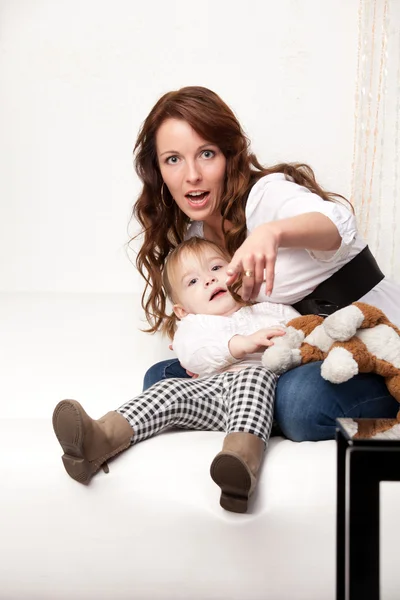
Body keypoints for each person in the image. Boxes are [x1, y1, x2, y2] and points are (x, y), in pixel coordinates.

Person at [131, 85, 400, 441]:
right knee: (161, 378)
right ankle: (250, 407)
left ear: (228, 155)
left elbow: (336, 227)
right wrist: (201, 341)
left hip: (365, 347)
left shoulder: (267, 196)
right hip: (288, 352)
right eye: (174, 159)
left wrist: (272, 233)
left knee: (300, 402)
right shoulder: (196, 234)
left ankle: (248, 410)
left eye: (206, 154)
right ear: (158, 170)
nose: (191, 175)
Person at [53, 237, 297, 513]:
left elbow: (304, 335)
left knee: (255, 376)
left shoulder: (268, 309)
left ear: (237, 272)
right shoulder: (194, 326)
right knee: (168, 389)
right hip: (213, 397)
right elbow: (193, 355)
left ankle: (240, 464)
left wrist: (290, 341)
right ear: (182, 310)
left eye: (216, 268)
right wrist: (240, 344)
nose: (208, 280)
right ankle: (99, 439)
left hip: (263, 400)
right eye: (192, 281)